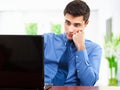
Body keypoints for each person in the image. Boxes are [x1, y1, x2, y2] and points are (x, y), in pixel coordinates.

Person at [44, 0, 102, 86]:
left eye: (76, 25)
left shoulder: (94, 49)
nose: (70, 29)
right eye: (67, 23)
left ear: (86, 23)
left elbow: (89, 83)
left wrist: (81, 47)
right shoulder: (47, 40)